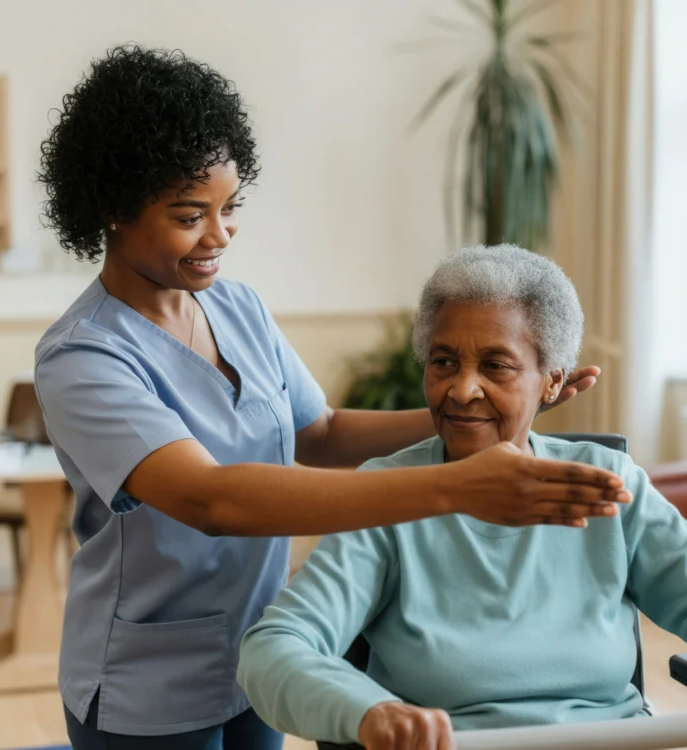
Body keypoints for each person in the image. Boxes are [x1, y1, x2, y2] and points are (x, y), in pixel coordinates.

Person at [33, 46, 623, 750]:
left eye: (230, 207)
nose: (220, 235)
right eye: (190, 215)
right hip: (147, 677)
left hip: (260, 652)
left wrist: (478, 412)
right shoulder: (84, 355)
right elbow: (211, 500)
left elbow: (324, 432)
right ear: (112, 209)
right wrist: (455, 487)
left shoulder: (238, 308)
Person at [237, 245, 687, 750]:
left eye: (495, 366)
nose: (462, 389)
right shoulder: (389, 495)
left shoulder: (607, 483)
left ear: (552, 381)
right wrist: (370, 713)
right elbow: (274, 649)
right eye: (443, 362)